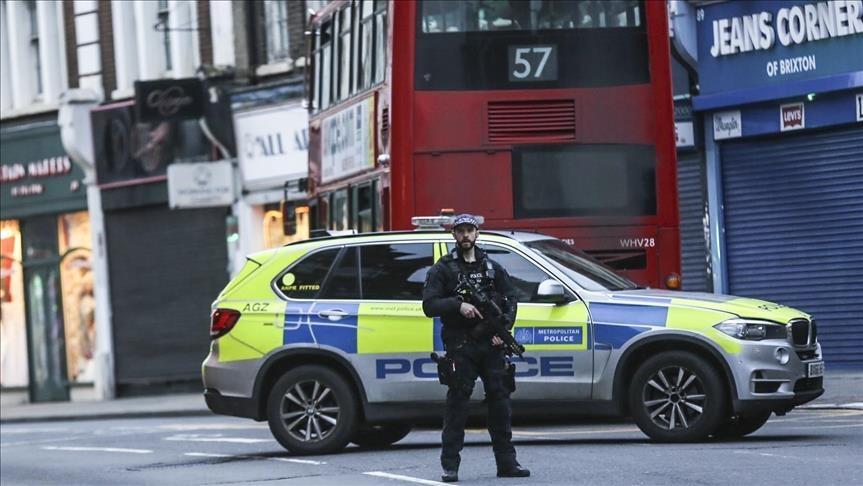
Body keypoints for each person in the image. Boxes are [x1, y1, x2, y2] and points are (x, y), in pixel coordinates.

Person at [422, 214, 530, 483]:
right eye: (461, 231)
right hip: (461, 345)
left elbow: (511, 299)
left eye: (470, 230)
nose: (466, 235)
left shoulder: (493, 267)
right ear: (454, 235)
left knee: (500, 404)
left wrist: (502, 331)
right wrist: (458, 305)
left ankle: (507, 464)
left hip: (491, 346)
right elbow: (429, 305)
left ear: (477, 233)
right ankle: (450, 467)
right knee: (458, 404)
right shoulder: (443, 269)